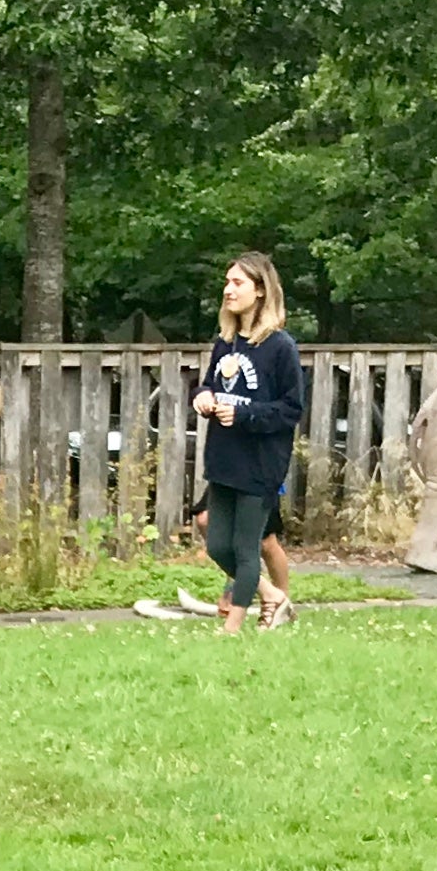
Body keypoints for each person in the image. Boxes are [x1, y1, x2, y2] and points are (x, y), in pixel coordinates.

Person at [189, 253, 304, 634]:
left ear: (260, 290)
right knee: (217, 546)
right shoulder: (225, 344)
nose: (228, 290)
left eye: (237, 283)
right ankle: (272, 596)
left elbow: (290, 409)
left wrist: (243, 415)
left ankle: (233, 627)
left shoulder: (280, 346)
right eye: (227, 282)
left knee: (246, 546)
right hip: (224, 457)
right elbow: (210, 384)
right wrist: (203, 397)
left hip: (260, 462)